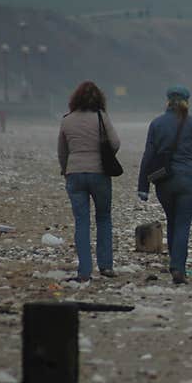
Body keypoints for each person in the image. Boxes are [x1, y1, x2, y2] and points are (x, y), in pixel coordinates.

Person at [137, 85, 192, 284]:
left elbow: (148, 156)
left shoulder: (157, 124)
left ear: (168, 101)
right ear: (186, 102)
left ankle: (175, 263)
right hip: (189, 180)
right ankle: (178, 267)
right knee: (183, 223)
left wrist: (143, 187)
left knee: (172, 221)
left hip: (164, 181)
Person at [57, 80, 120, 282]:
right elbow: (116, 143)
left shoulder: (67, 120)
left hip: (74, 173)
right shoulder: (102, 117)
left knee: (81, 222)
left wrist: (66, 169)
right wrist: (103, 155)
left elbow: (62, 151)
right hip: (99, 173)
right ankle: (106, 266)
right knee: (103, 218)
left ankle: (84, 270)